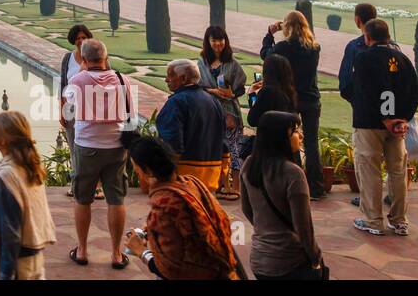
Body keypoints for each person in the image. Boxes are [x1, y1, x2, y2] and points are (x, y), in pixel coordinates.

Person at [124, 136, 242, 279]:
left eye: (137, 170)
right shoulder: (191, 183)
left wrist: (140, 251)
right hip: (223, 269)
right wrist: (152, 229)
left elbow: (169, 270)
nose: (138, 175)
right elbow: (196, 227)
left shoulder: (164, 206)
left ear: (147, 171)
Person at [350, 19, 418, 236]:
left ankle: (374, 221)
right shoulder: (402, 59)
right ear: (388, 36)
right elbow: (415, 93)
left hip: (369, 124)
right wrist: (401, 119)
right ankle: (399, 220)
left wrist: (384, 118)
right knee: (397, 171)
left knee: (369, 169)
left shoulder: (363, 58)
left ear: (367, 37)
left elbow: (365, 92)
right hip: (397, 126)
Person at [64, 39, 131, 267]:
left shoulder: (77, 80)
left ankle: (82, 250)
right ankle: (115, 253)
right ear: (106, 56)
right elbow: (129, 115)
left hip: (87, 146)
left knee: (83, 200)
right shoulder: (123, 80)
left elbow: (67, 110)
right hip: (116, 145)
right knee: (116, 199)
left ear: (84, 59)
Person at [240, 112, 325, 279]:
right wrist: (316, 258)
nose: (300, 135)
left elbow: (247, 210)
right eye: (294, 131)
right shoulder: (292, 173)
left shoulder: (250, 164)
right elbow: (304, 228)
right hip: (290, 262)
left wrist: (267, 230)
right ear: (279, 137)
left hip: (259, 259)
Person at [260, 11, 326, 198]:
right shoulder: (314, 47)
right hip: (311, 98)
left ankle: (298, 185)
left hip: (290, 99)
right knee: (312, 144)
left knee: (292, 141)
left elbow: (266, 57)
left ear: (286, 26)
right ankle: (317, 187)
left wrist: (269, 35)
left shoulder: (283, 47)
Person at [0, 111, 56, 280]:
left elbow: (10, 230)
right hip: (35, 256)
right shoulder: (31, 167)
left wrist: (5, 273)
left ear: (1, 141)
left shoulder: (7, 176)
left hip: (17, 262)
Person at [156, 58, 227, 189]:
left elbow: (172, 142)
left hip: (185, 175)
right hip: (211, 175)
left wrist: (165, 173)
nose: (166, 80)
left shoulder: (177, 102)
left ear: (183, 79)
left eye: (170, 75)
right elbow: (222, 138)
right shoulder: (214, 101)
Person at [198, 26, 246, 200]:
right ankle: (220, 185)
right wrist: (214, 92)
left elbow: (241, 87)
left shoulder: (232, 63)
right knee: (216, 149)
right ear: (208, 42)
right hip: (209, 111)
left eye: (221, 40)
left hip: (230, 114)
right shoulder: (202, 62)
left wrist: (231, 94)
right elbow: (198, 85)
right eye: (214, 40)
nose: (218, 44)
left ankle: (236, 187)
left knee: (234, 149)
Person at [58, 24, 93, 197]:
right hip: (71, 108)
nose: (81, 41)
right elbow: (63, 86)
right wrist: (61, 111)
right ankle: (75, 184)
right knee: (73, 148)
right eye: (78, 38)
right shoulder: (68, 58)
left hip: (90, 110)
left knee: (92, 148)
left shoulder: (96, 56)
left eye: (84, 38)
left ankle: (96, 186)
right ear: (74, 40)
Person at [337, 2, 377, 102]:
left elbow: (345, 81)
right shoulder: (393, 46)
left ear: (357, 20)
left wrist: (357, 101)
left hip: (364, 107)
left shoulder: (354, 47)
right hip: (390, 106)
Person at [248, 54, 297, 128]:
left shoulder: (267, 92)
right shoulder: (289, 91)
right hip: (285, 137)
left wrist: (252, 95)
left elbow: (252, 120)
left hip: (268, 137)